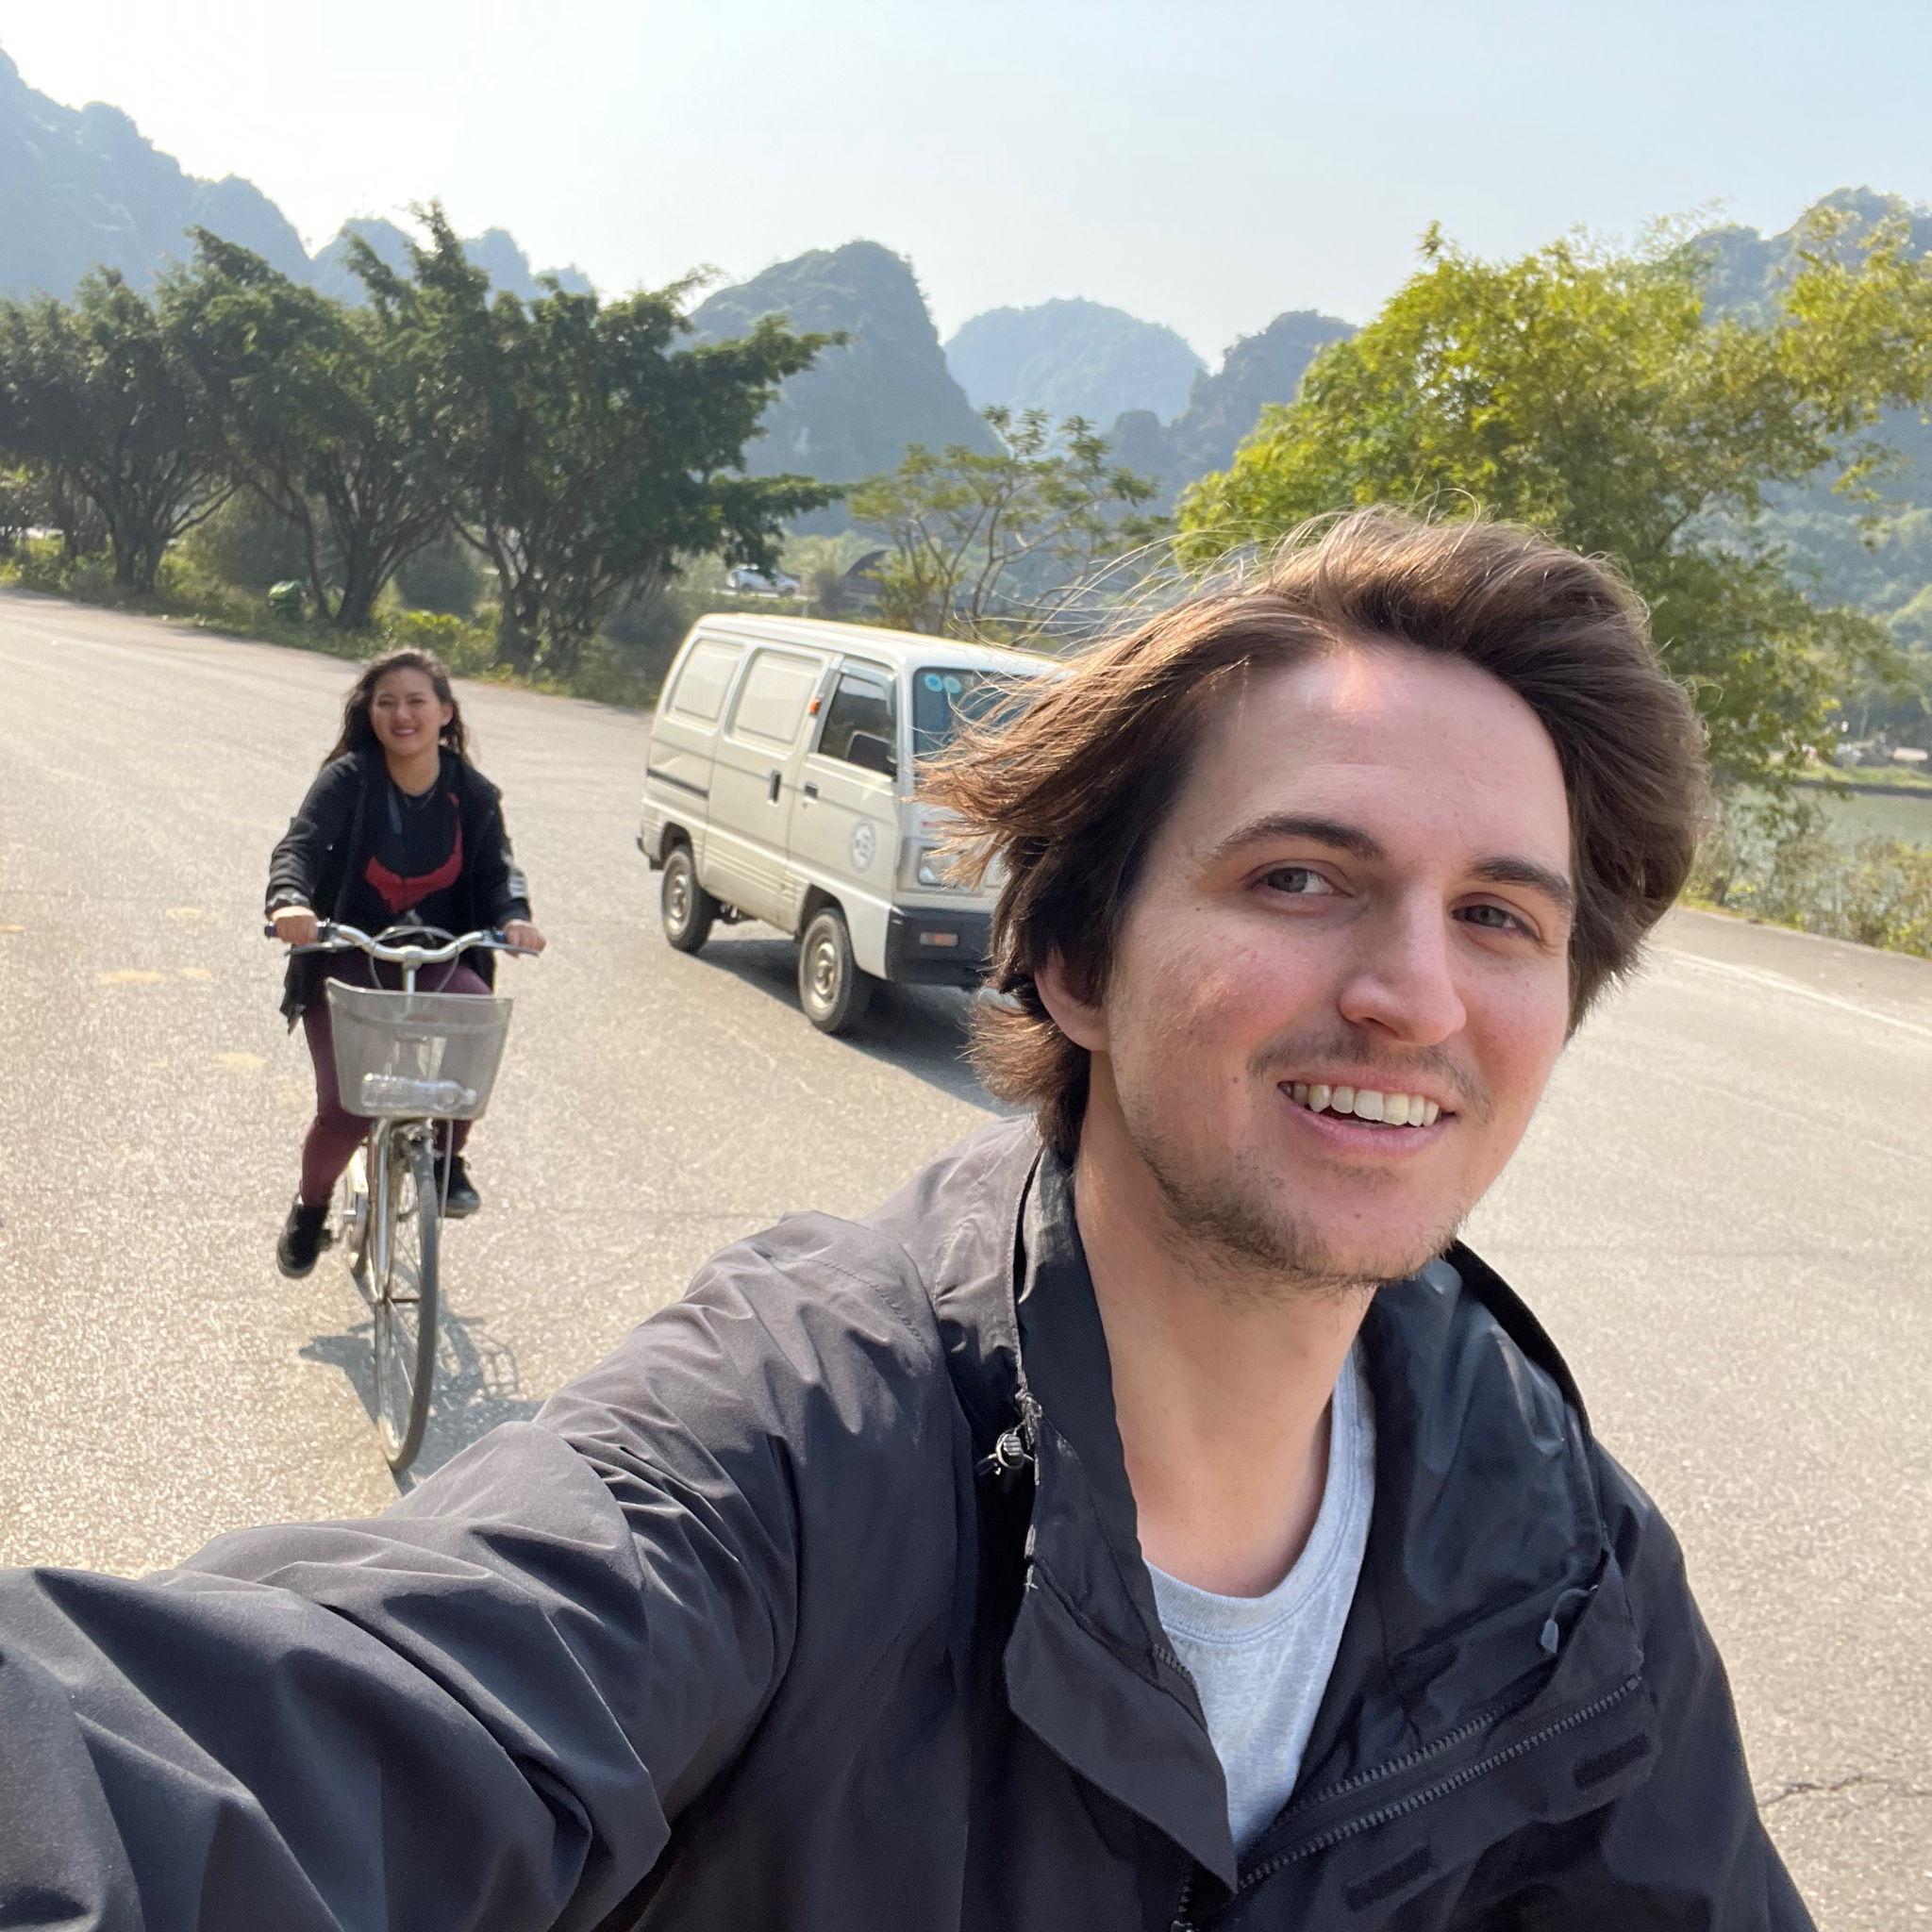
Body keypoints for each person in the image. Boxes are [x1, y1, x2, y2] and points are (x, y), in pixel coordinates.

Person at [0, 510, 1811, 1929]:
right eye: (1301, 876)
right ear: (1077, 957)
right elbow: (299, 1744)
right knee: (353, 1100)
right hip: (381, 977)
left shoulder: (1561, 1563)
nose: (1415, 992)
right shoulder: (788, 1446)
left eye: (1500, 915)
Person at [264, 648, 545, 1275]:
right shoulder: (350, 780)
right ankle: (310, 1211)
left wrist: (515, 917)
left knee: (476, 1026)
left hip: (439, 956)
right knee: (348, 1108)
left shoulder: (470, 793)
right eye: (386, 702)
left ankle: (446, 1159)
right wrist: (289, 901)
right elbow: (301, 847)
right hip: (346, 957)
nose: (402, 714)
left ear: (445, 712)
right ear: (370, 713)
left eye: (417, 701)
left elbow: (498, 870)